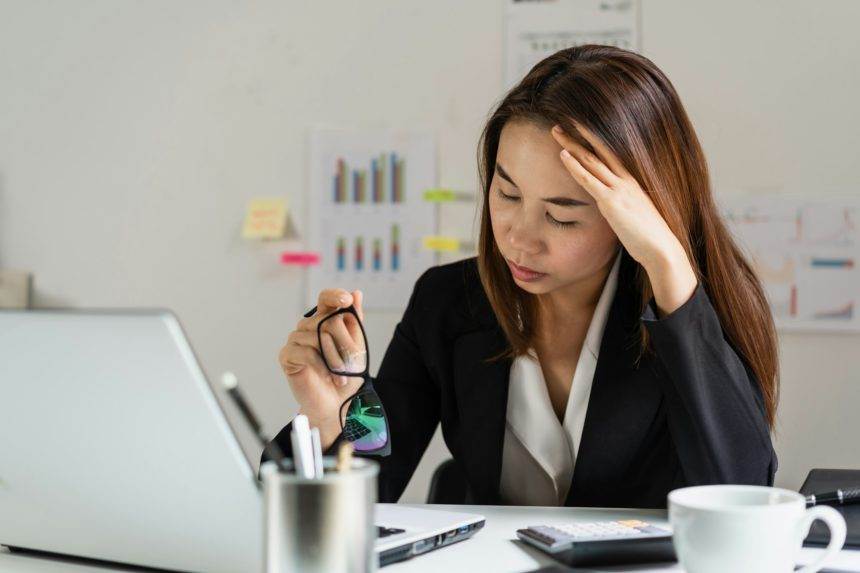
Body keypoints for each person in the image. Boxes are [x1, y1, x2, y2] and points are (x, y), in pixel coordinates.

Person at [264, 44, 779, 508]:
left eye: (562, 215)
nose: (519, 238)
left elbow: (744, 494)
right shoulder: (447, 302)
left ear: (637, 215)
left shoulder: (688, 310)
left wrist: (669, 269)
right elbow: (369, 488)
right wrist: (334, 419)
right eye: (507, 195)